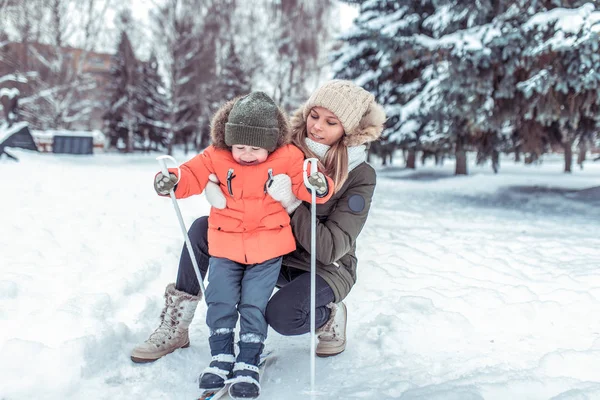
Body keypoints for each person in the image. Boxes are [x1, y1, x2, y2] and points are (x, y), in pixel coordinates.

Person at [131, 79, 385, 380]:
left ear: (350, 129)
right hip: (274, 248)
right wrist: (193, 180)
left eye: (331, 122)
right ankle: (176, 325)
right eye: (314, 115)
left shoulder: (360, 174)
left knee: (283, 316)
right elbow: (224, 156)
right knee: (203, 229)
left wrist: (292, 204)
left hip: (325, 267)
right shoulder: (285, 147)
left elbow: (329, 248)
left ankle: (329, 317)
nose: (317, 127)